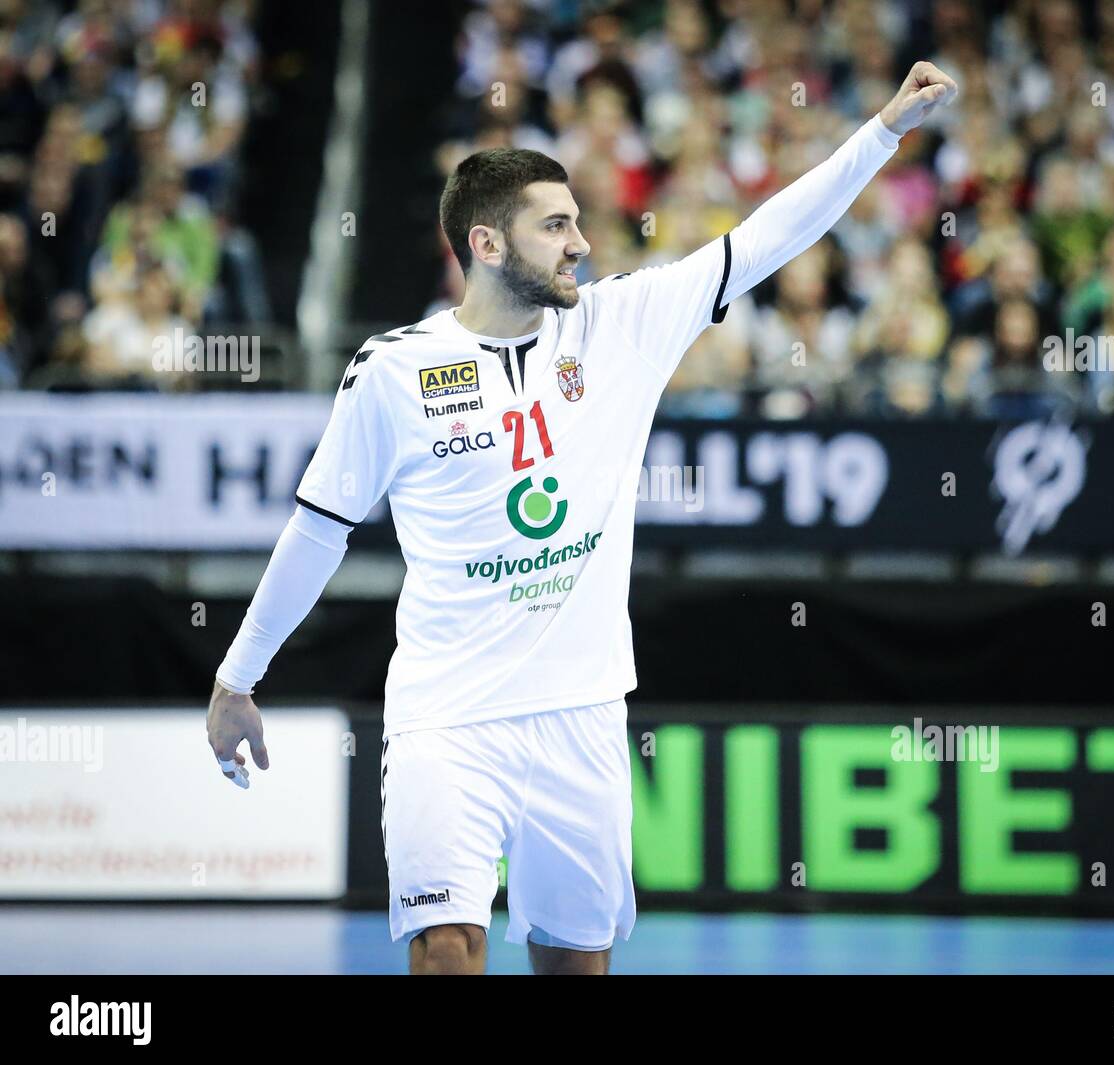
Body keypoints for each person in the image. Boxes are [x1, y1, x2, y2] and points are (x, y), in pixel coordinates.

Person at [206, 61, 958, 975]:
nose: (581, 244)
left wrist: (882, 131)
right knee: (446, 946)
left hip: (583, 714)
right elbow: (319, 529)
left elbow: (764, 239)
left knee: (575, 963)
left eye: (576, 222)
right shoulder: (394, 369)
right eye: (555, 226)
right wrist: (239, 676)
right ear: (486, 243)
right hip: (447, 718)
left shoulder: (624, 325)